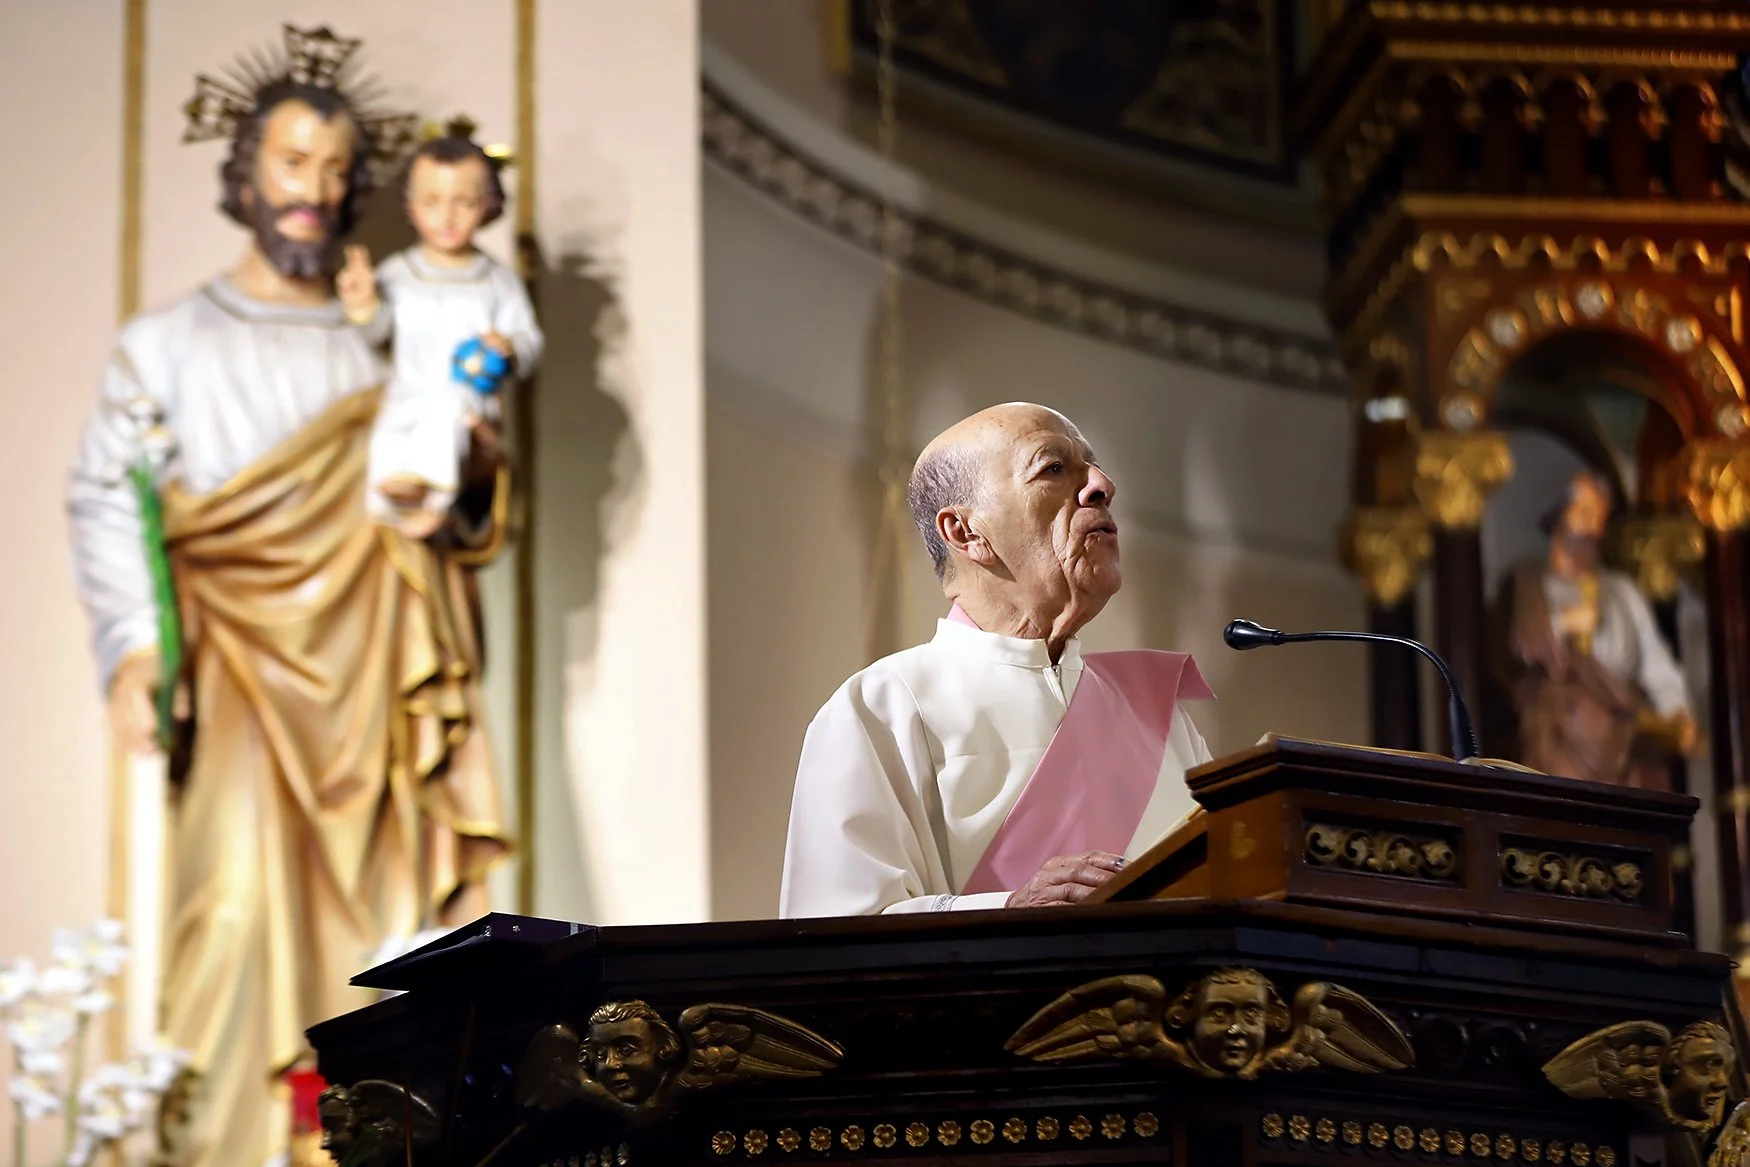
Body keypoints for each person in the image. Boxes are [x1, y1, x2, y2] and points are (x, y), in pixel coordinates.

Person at [66, 53, 510, 1167]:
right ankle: (221, 1149)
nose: (311, 186)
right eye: (290, 161)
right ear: (246, 175)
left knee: (389, 940)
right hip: (236, 678)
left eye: (335, 168)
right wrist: (131, 647)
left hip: (377, 678)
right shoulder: (164, 343)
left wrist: (474, 470)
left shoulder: (395, 339)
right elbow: (108, 501)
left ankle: (369, 1144)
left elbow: (449, 512)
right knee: (229, 924)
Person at [779, 403, 1214, 917]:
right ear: (966, 533)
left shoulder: (1157, 714)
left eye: (1092, 465)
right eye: (1053, 468)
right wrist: (1009, 910)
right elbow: (838, 938)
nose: (1101, 484)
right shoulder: (881, 706)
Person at [338, 132, 542, 538]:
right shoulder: (397, 273)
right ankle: (385, 506)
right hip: (408, 390)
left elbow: (530, 340)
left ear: (487, 206)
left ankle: (437, 501)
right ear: (411, 207)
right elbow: (376, 333)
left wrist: (511, 348)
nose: (447, 218)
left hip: (467, 400)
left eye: (463, 203)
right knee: (386, 432)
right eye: (432, 203)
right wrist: (363, 305)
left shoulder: (497, 281)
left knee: (448, 414)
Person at [1494, 470, 1695, 788]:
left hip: (1625, 733)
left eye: (1600, 517)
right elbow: (1516, 650)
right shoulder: (1529, 585)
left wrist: (1677, 711)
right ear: (1558, 518)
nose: (1593, 529)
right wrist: (1565, 624)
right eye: (1584, 514)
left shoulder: (1621, 590)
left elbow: (1655, 663)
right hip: (1559, 736)